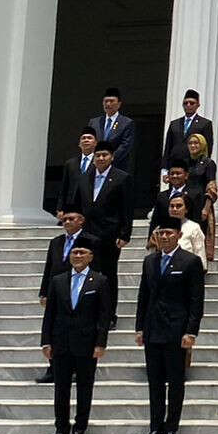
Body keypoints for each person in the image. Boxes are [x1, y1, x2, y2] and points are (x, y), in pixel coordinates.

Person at [133, 214, 205, 434]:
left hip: (177, 330)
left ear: (179, 235)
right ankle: (155, 428)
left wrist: (191, 331)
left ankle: (171, 428)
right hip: (153, 329)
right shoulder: (150, 261)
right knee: (154, 382)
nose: (164, 237)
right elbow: (144, 296)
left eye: (169, 233)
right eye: (161, 233)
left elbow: (196, 300)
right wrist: (140, 327)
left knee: (175, 381)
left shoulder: (190, 262)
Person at [40, 238, 110, 434]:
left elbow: (103, 316)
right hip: (61, 342)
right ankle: (61, 429)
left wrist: (100, 343)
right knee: (61, 388)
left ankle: (80, 428)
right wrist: (46, 341)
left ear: (90, 256)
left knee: (84, 387)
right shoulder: (58, 281)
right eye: (74, 252)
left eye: (82, 253)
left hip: (87, 343)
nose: (77, 256)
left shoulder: (99, 281)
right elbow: (50, 314)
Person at [73, 141, 132, 330]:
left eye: (104, 155)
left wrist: (125, 234)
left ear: (112, 157)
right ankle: (89, 313)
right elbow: (76, 204)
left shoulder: (121, 178)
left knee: (107, 276)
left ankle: (109, 315)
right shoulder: (84, 178)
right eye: (97, 155)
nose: (100, 158)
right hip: (87, 235)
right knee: (88, 275)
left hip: (110, 236)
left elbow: (126, 209)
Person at [36, 211, 96, 384]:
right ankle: (53, 367)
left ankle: (77, 368)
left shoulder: (90, 241)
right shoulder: (56, 242)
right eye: (65, 219)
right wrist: (44, 291)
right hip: (58, 290)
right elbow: (49, 268)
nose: (67, 222)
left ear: (81, 221)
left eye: (71, 219)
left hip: (79, 289)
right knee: (55, 329)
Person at [185, 133, 218, 262]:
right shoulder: (186, 162)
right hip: (186, 205)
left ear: (203, 145)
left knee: (200, 236)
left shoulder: (208, 163)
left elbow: (211, 186)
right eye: (190, 143)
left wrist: (206, 208)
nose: (193, 145)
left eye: (196, 143)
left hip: (201, 205)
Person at [161, 89, 214, 172]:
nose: (188, 105)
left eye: (192, 103)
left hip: (194, 168)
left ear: (198, 105)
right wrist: (164, 170)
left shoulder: (205, 124)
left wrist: (202, 168)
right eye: (186, 103)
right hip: (175, 168)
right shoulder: (174, 124)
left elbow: (208, 148)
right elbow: (168, 147)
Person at [86, 88, 136, 174]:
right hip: (96, 166)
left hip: (117, 166)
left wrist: (108, 160)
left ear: (119, 104)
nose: (108, 104)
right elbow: (90, 143)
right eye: (106, 101)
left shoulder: (126, 123)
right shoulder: (94, 122)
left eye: (111, 101)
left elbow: (125, 146)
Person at [56, 131, 99, 219]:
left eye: (89, 138)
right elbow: (64, 186)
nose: (86, 140)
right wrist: (60, 208)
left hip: (91, 203)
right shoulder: (70, 163)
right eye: (83, 138)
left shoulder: (100, 162)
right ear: (79, 144)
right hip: (72, 204)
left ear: (95, 143)